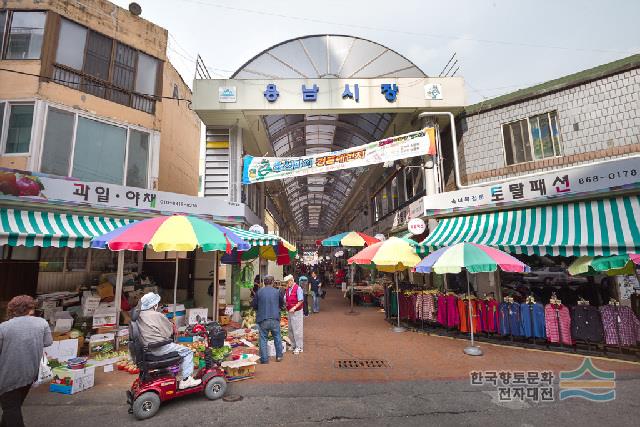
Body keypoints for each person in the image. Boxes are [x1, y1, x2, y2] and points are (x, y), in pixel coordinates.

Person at [0, 295, 52, 427]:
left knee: (11, 408)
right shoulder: (42, 323)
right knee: (14, 406)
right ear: (31, 309)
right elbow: (48, 342)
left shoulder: (4, 327)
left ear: (12, 309)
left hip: (8, 375)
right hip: (30, 372)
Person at [137, 293, 201, 389]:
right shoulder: (156, 315)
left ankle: (181, 375)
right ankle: (186, 380)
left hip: (146, 348)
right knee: (187, 352)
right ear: (154, 305)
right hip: (158, 348)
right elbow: (168, 332)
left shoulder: (139, 315)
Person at [251, 275, 285, 363]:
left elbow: (254, 305)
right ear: (272, 282)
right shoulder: (277, 292)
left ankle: (264, 359)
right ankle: (279, 357)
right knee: (277, 337)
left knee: (263, 339)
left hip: (263, 318)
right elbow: (282, 304)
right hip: (275, 318)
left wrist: (259, 308)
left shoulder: (259, 292)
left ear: (264, 282)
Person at [284, 274, 304, 354]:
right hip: (290, 311)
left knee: (297, 330)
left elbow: (301, 300)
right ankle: (293, 345)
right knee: (290, 329)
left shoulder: (298, 289)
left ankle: (299, 347)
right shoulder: (288, 289)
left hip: (297, 311)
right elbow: (286, 297)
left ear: (291, 280)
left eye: (287, 282)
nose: (287, 284)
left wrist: (295, 307)